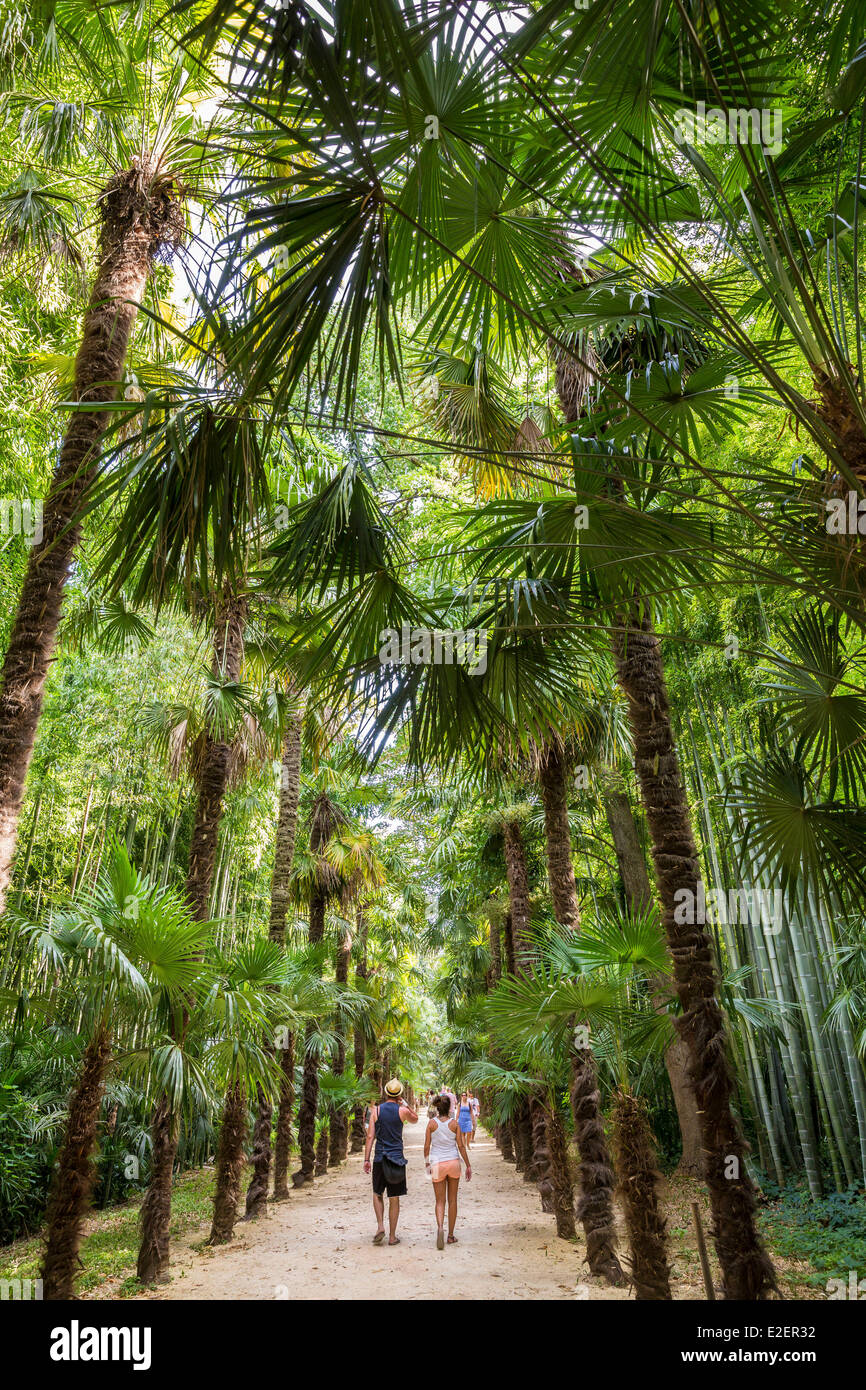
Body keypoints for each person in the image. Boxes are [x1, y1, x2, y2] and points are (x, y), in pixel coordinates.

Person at [363, 1078, 418, 1245]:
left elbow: (371, 1136)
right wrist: (406, 1104)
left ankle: (380, 1226)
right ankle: (392, 1237)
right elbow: (415, 1118)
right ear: (399, 1094)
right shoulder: (402, 1111)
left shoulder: (376, 1111)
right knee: (394, 1197)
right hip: (396, 1159)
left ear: (386, 1093)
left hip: (380, 1156)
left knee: (377, 1193)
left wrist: (366, 1159)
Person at [424, 1094, 471, 1248]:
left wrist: (427, 1164)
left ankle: (439, 1228)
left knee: (439, 1201)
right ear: (449, 1108)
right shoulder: (454, 1124)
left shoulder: (431, 1124)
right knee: (452, 1200)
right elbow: (461, 1146)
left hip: (437, 1163)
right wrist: (468, 1165)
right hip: (453, 1163)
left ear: (438, 1108)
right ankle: (450, 1236)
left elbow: (426, 1147)